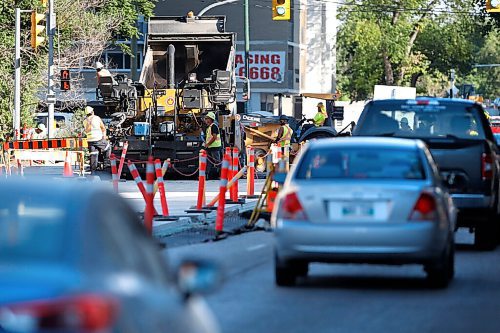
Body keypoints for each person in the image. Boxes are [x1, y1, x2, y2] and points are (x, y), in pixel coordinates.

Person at [83, 106, 110, 173]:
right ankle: (107, 164)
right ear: (92, 112)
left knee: (93, 154)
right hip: (98, 139)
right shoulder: (96, 118)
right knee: (108, 147)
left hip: (90, 140)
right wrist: (104, 136)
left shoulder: (85, 121)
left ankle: (93, 171)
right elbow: (103, 128)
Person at [203, 111, 222, 180]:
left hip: (215, 147)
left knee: (217, 161)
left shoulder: (214, 126)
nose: (206, 120)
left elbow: (214, 137)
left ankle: (221, 175)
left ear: (211, 119)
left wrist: (208, 144)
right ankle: (206, 175)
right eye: (206, 118)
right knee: (209, 162)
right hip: (210, 147)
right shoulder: (209, 127)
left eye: (207, 118)